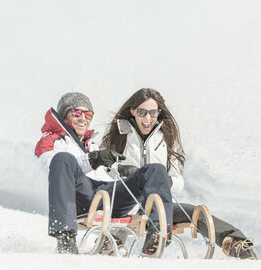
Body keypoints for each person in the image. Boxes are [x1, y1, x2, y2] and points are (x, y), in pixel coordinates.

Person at [101, 88, 257, 259]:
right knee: (128, 215)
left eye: (153, 113)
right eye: (142, 112)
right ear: (133, 111)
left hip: (159, 205)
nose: (147, 119)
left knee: (196, 213)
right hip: (127, 201)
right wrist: (122, 171)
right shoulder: (120, 134)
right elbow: (101, 168)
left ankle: (237, 244)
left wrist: (164, 181)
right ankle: (111, 244)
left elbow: (179, 182)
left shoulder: (166, 137)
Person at [35, 92, 173, 255]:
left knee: (155, 170)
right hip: (80, 196)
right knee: (63, 158)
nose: (83, 118)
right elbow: (53, 167)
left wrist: (122, 172)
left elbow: (101, 174)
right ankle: (65, 238)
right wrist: (92, 159)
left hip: (105, 194)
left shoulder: (91, 144)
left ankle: (158, 231)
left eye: (88, 114)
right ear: (65, 114)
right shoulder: (51, 140)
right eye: (77, 113)